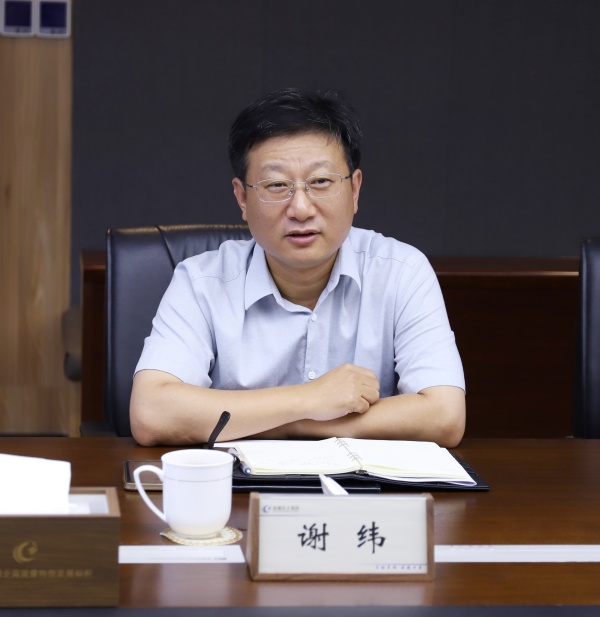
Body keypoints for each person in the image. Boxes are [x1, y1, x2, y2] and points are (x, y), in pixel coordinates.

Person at [130, 88, 465, 448]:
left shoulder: (402, 272)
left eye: (320, 182)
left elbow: (444, 417)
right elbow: (151, 413)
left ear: (354, 190)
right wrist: (310, 399)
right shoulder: (201, 282)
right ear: (242, 198)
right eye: (277, 185)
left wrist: (290, 424)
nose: (301, 209)